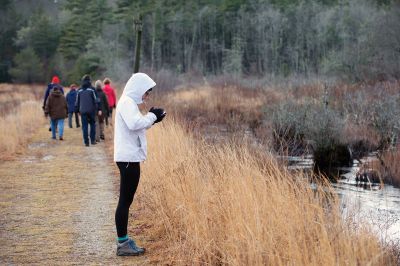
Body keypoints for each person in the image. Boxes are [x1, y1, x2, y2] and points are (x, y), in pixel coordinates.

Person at [114, 73, 166, 256]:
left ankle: (124, 240)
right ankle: (122, 244)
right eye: (146, 92)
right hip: (128, 158)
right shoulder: (127, 102)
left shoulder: (128, 102)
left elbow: (136, 126)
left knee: (126, 201)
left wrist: (154, 119)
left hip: (129, 157)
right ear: (138, 89)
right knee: (124, 201)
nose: (147, 96)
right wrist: (152, 116)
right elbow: (135, 123)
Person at [75, 75, 101, 146]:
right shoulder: (92, 89)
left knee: (84, 126)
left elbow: (77, 102)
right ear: (90, 81)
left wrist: (77, 111)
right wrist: (99, 109)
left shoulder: (79, 90)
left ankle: (86, 142)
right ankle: (92, 140)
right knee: (92, 124)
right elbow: (97, 100)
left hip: (82, 111)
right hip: (91, 110)